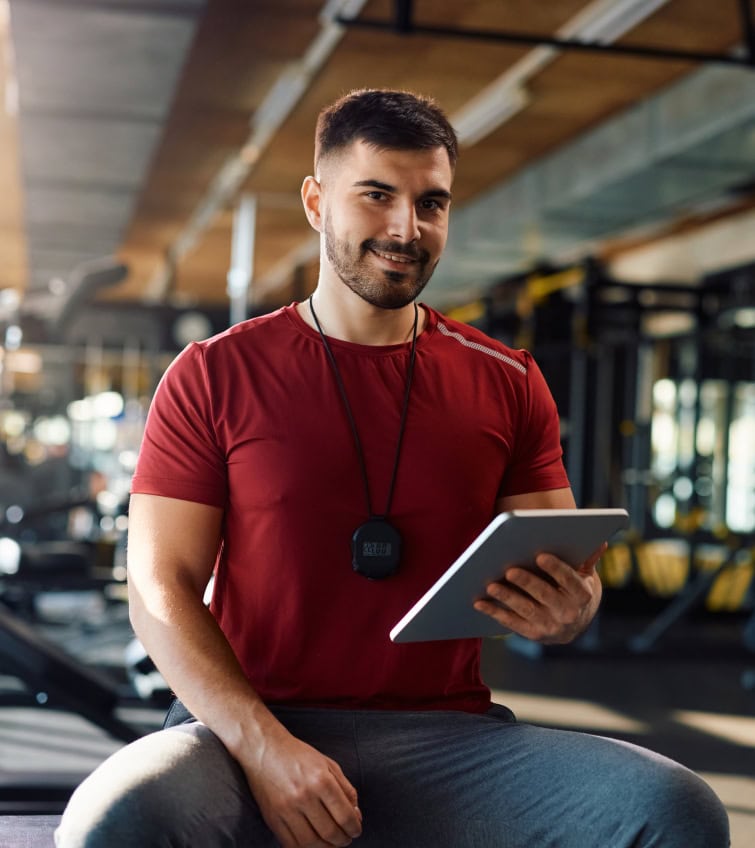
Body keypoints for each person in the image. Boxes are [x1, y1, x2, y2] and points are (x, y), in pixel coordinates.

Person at [56, 89, 729, 848]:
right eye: (376, 195)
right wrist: (266, 748)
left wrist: (573, 607)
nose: (405, 229)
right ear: (316, 202)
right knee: (111, 820)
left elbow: (562, 561)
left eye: (431, 203)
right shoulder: (214, 373)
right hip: (243, 735)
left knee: (675, 808)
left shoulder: (506, 379)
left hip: (445, 741)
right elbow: (158, 588)